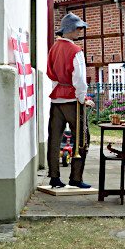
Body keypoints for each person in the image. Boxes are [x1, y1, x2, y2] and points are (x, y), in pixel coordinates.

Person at [46, 12, 94, 188]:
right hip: (73, 101)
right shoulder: (76, 51)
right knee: (82, 137)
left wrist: (57, 90)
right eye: (78, 28)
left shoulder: (53, 48)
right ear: (70, 30)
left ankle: (54, 177)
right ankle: (75, 178)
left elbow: (51, 73)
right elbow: (80, 80)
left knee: (54, 139)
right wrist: (83, 99)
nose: (80, 31)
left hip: (56, 99)